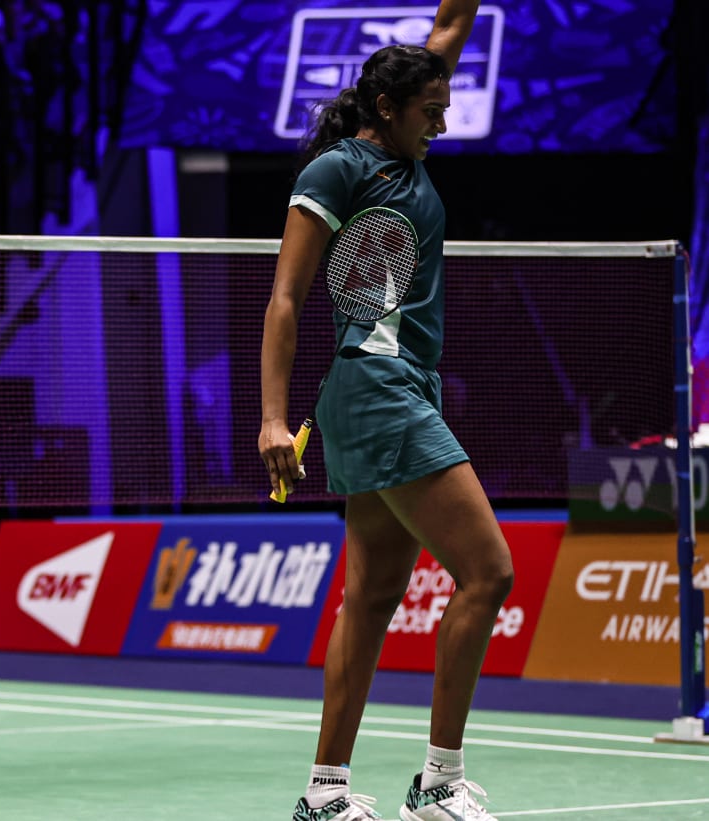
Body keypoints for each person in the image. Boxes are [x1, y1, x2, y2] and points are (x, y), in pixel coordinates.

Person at [258, 3, 514, 820]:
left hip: (400, 386)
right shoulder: (337, 171)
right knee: (489, 572)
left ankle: (324, 793)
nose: (441, 123)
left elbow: (449, 28)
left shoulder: (408, 132)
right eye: (430, 112)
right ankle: (438, 782)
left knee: (370, 598)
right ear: (386, 108)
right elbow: (286, 298)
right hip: (377, 387)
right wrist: (271, 418)